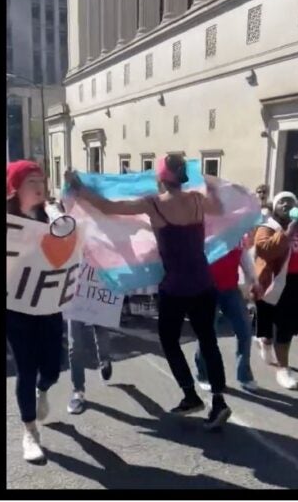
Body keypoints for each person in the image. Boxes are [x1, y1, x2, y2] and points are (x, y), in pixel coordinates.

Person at [66, 155, 232, 429]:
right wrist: (210, 182)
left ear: (160, 178)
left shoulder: (154, 204)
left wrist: (79, 188)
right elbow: (221, 206)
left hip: (176, 287)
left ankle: (191, 395)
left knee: (169, 340)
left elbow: (108, 207)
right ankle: (218, 401)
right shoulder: (196, 199)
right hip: (204, 284)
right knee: (208, 341)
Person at [6, 160, 66, 462]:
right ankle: (29, 431)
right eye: (31, 180)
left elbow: (69, 252)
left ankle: (44, 389)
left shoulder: (52, 216)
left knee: (53, 367)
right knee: (26, 369)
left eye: (41, 179)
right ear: (16, 187)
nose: (39, 185)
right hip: (15, 308)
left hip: (49, 304)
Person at [252, 192, 298, 390]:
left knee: (289, 325)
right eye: (281, 201)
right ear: (274, 207)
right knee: (281, 327)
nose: (285, 204)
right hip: (275, 284)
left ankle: (265, 342)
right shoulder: (268, 227)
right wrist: (288, 233)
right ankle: (283, 369)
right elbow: (264, 249)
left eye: (290, 201)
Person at [194, 230, 260, 393]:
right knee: (208, 334)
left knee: (245, 331)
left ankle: (244, 376)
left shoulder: (237, 233)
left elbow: (244, 257)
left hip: (230, 289)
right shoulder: (204, 232)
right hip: (206, 291)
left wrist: (253, 279)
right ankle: (204, 375)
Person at [65, 319, 115, 415]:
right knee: (75, 345)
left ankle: (104, 360)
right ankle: (78, 391)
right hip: (74, 305)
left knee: (102, 332)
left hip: (100, 304)